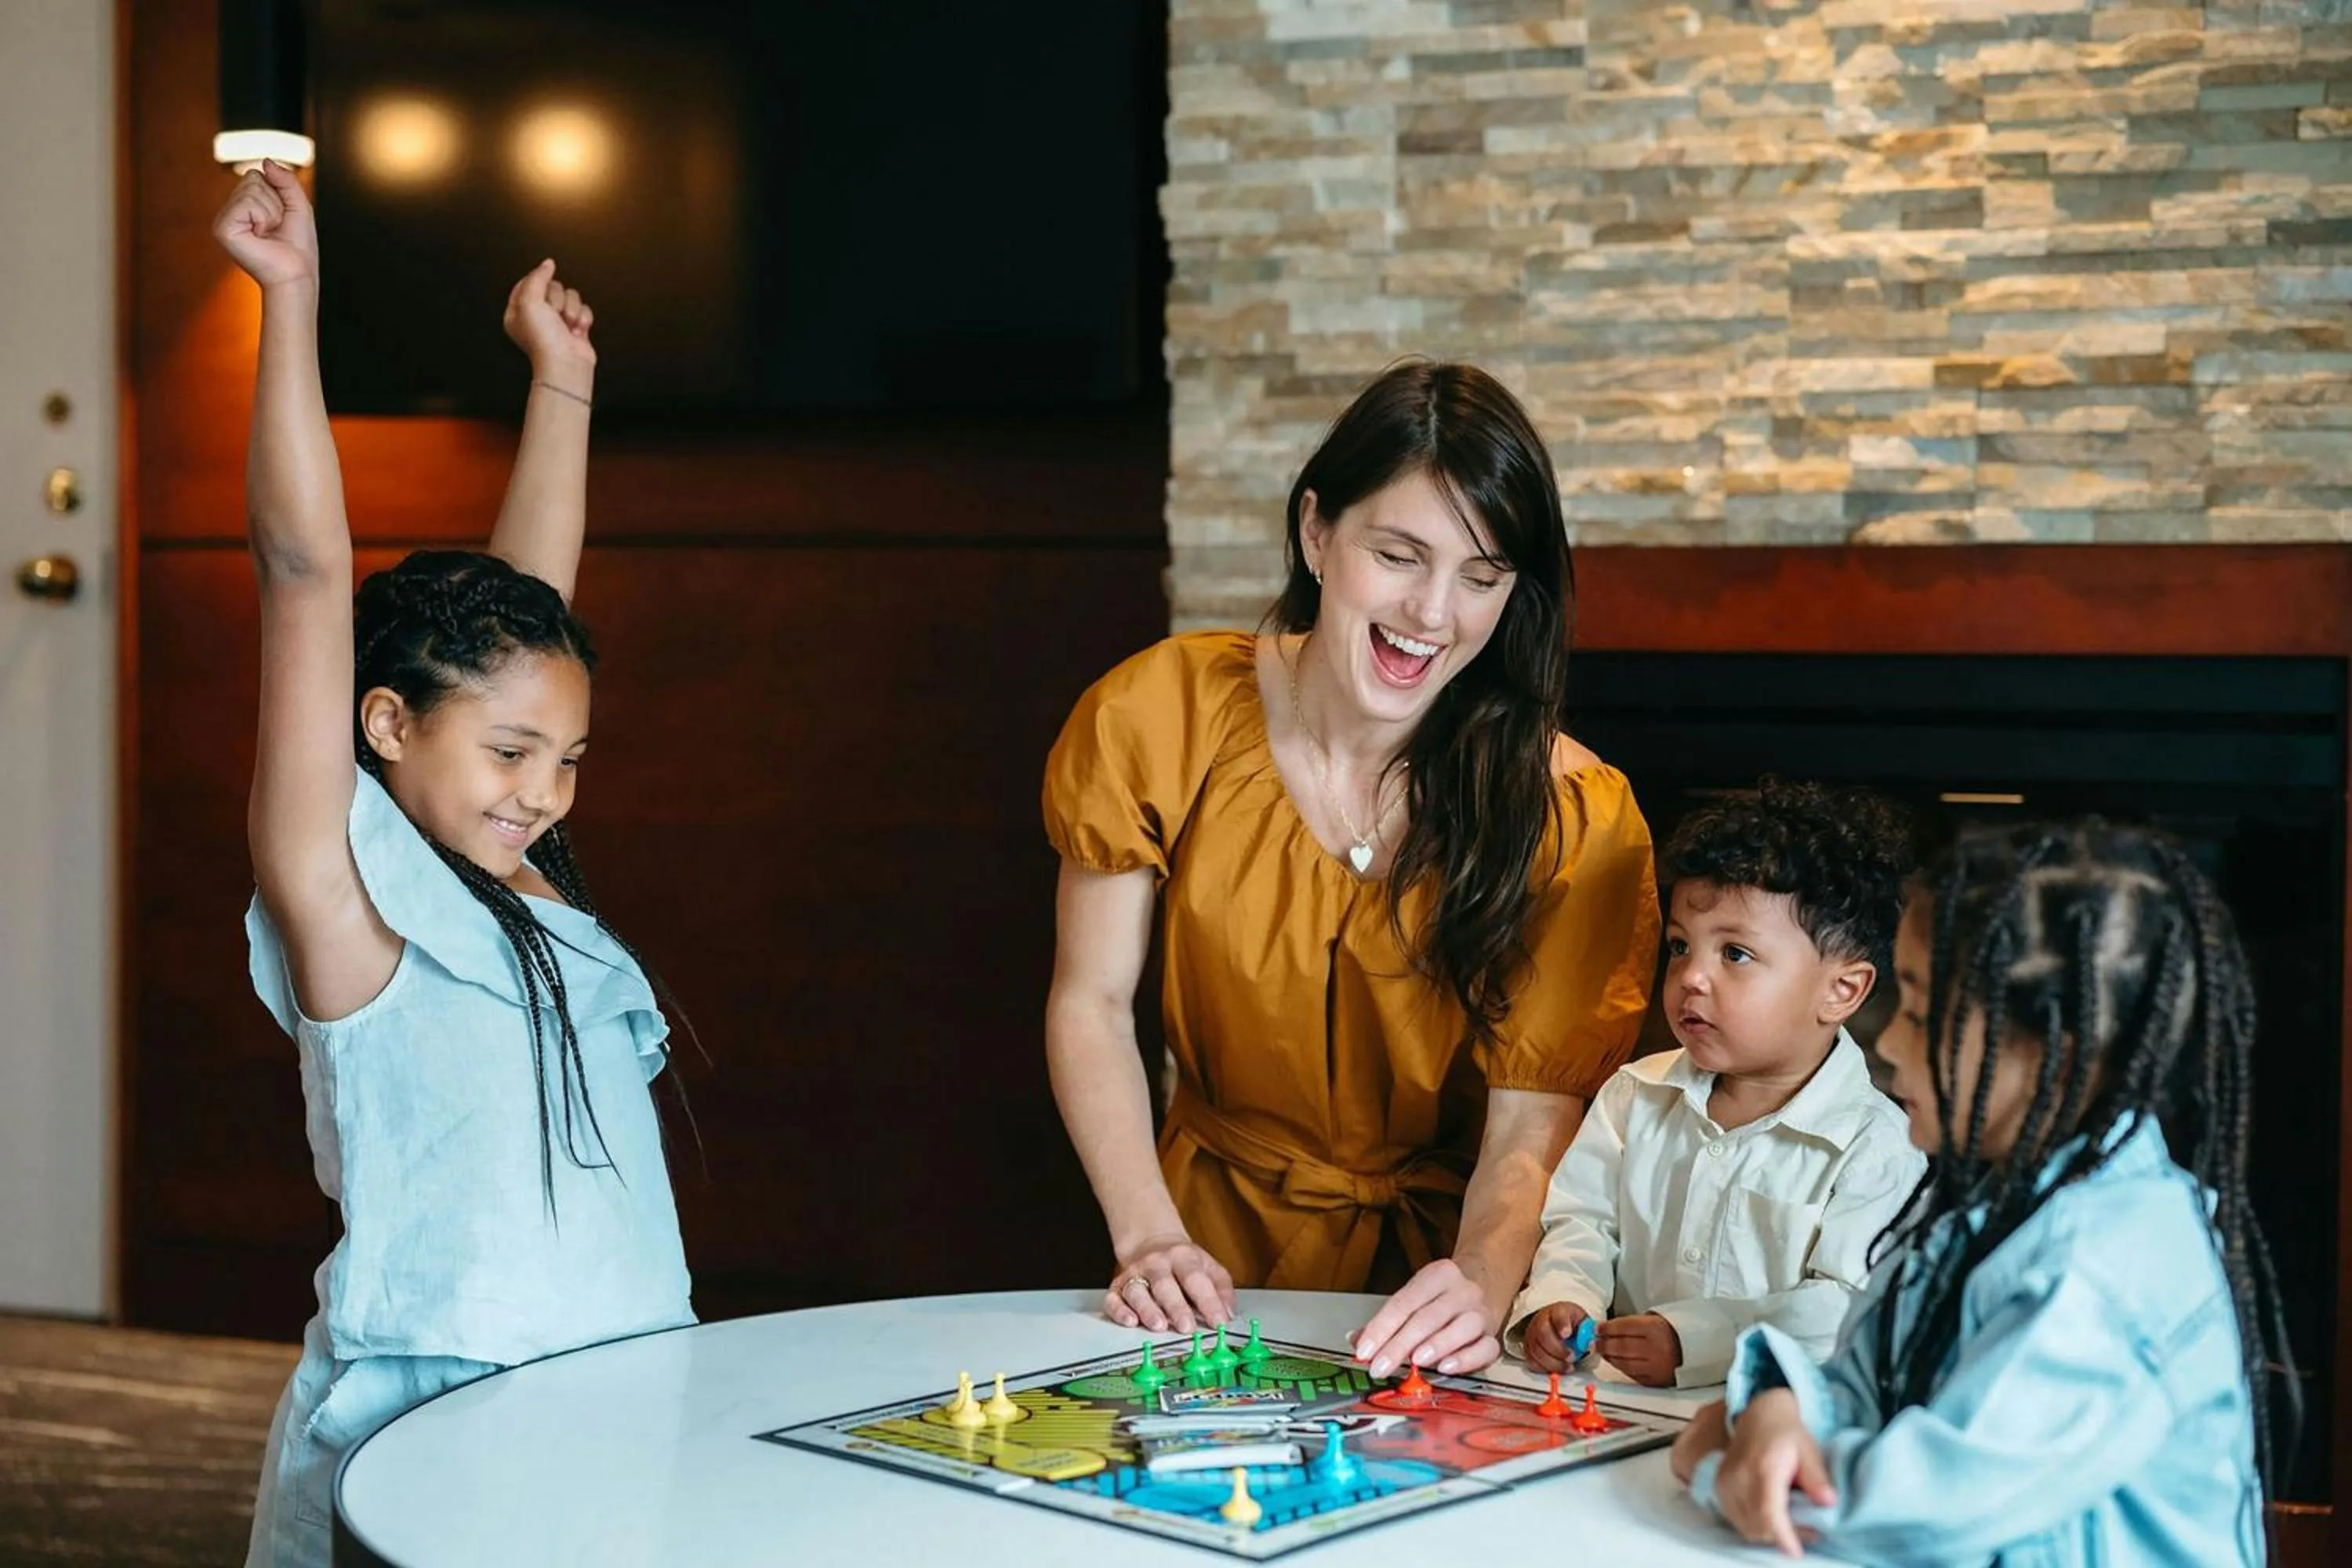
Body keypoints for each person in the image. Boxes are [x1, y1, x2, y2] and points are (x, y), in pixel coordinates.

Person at [216, 162, 694, 1567]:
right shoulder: (345, 894)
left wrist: (563, 383)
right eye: (507, 757)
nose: (542, 793)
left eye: (567, 762)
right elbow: (303, 572)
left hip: (613, 1385)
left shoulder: (529, 886)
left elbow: (526, 622)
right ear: (383, 726)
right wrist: (290, 299)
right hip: (432, 1425)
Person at [1043, 359, 1658, 1378]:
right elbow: (1091, 1003)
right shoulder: (1153, 716)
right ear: (1317, 532)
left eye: (1482, 576)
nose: (1433, 613)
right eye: (1400, 555)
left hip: (1451, 1278)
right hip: (1199, 1258)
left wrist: (1478, 1286)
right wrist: (1148, 1237)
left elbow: (1527, 1127)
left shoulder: (1577, 815)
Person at [1674, 822, 2297, 1565]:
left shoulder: (2108, 1263)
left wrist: (1723, 1469)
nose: (1891, 1046)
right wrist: (1776, 1406)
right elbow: (1862, 1387)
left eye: (1920, 1013)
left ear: (2057, 1056)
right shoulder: (1972, 1205)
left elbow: (1925, 1515)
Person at [1510, 781, 1924, 1388]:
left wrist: (1700, 1342)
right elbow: (1584, 1223)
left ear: (1841, 991)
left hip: (1763, 1429)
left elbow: (1848, 1307)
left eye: (1735, 953)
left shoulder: (1878, 1147)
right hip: (1610, 1402)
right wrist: (1562, 1297)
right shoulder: (1634, 1095)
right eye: (1680, 947)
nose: (1691, 977)